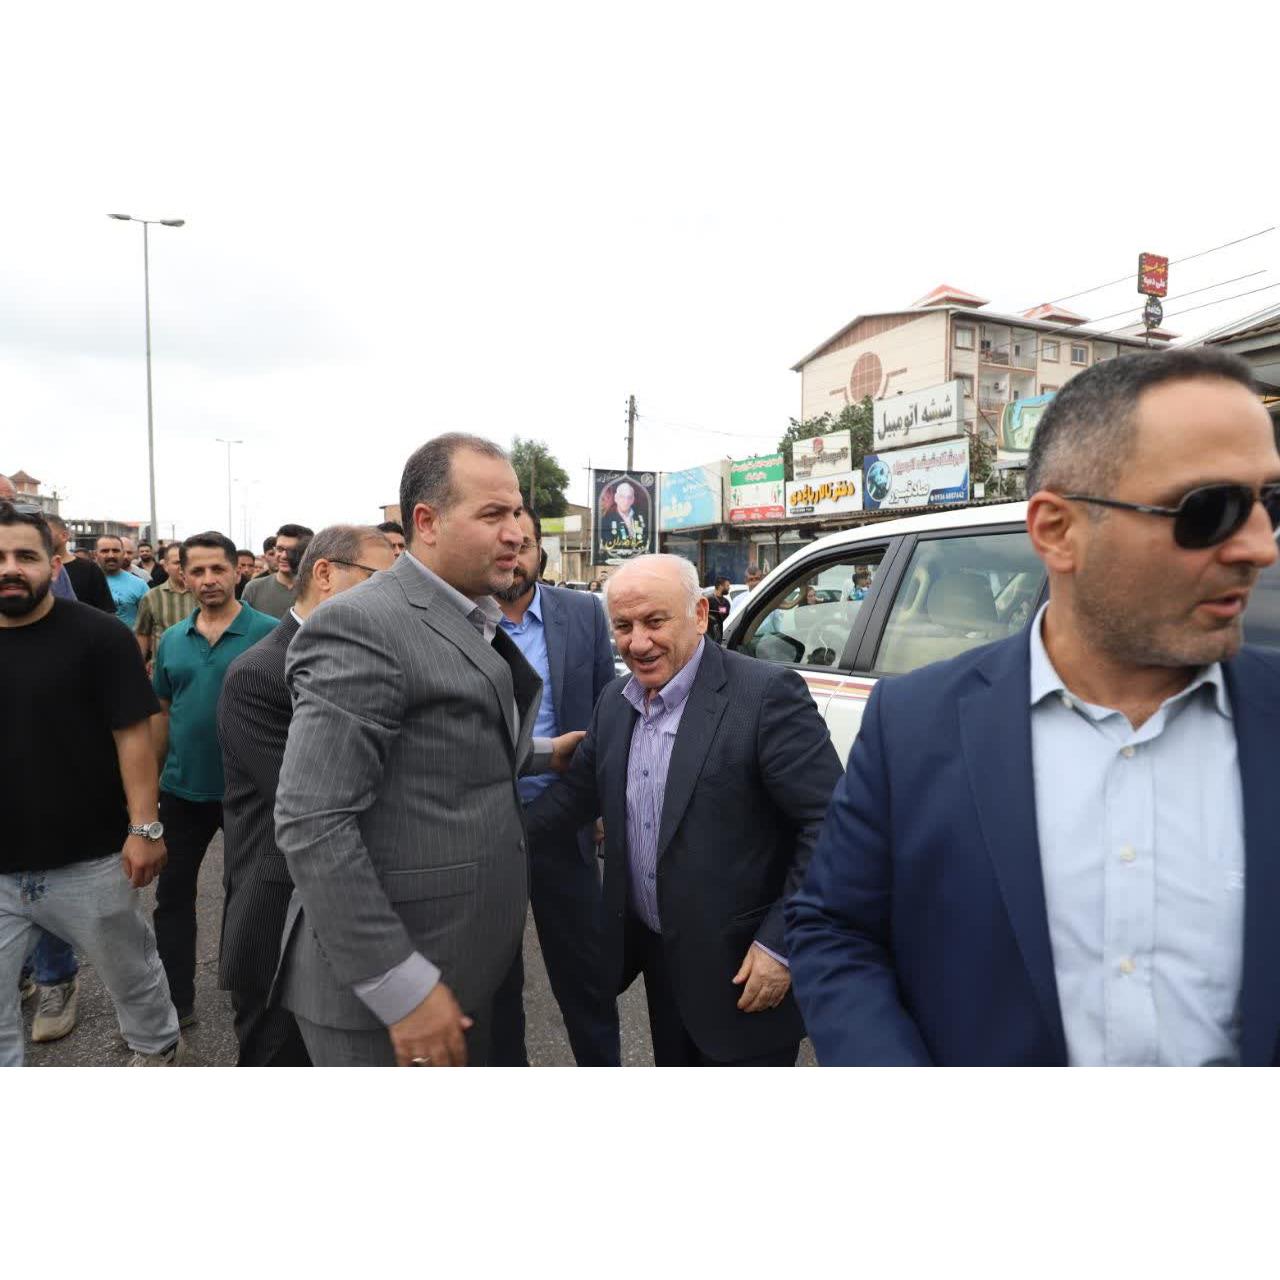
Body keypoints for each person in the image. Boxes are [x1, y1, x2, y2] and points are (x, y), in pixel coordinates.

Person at [787, 348, 1280, 1067]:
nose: (1261, 548)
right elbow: (836, 931)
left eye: (1270, 504)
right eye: (1210, 511)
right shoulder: (915, 723)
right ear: (1057, 531)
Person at [273, 433, 584, 1067]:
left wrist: (545, 753)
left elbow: (436, 750)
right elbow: (313, 820)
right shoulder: (362, 624)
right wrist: (398, 984)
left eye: (517, 512)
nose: (516, 533)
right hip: (384, 998)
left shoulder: (465, 613)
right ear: (427, 522)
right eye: (492, 515)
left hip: (459, 961)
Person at [526, 554, 842, 1066]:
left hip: (745, 971)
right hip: (663, 964)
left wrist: (782, 945)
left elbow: (830, 825)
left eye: (655, 621)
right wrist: (491, 844)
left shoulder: (765, 695)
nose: (638, 643)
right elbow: (571, 800)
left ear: (699, 614)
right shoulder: (615, 701)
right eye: (623, 626)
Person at [0, 502, 184, 1065]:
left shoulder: (100, 636)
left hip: (92, 863)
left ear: (55, 563)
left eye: (25, 556)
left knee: (135, 982)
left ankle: (157, 1054)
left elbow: (134, 737)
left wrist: (145, 828)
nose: (10, 568)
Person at [218, 525, 396, 1066]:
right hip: (280, 907)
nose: (394, 599)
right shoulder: (259, 674)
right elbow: (311, 801)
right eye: (381, 581)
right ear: (325, 574)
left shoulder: (364, 657)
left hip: (347, 902)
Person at [489, 510, 621, 1066]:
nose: (514, 556)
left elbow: (607, 707)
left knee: (586, 979)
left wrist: (602, 803)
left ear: (540, 551)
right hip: (487, 829)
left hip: (566, 822)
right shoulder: (462, 619)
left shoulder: (582, 611)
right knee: (495, 989)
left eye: (525, 544)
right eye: (505, 544)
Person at [151, 532, 278, 1026]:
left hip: (250, 793)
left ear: (236, 571)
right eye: (197, 571)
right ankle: (176, 1000)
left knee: (248, 898)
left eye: (218, 569)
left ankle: (247, 989)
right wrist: (152, 785)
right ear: (182, 576)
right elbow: (162, 713)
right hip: (181, 792)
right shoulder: (171, 640)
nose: (208, 580)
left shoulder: (271, 634)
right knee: (172, 898)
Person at [135, 543, 196, 668]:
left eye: (186, 562)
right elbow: (142, 634)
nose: (182, 567)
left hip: (198, 668)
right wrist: (138, 668)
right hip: (163, 669)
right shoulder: (152, 597)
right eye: (177, 562)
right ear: (165, 566)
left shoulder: (204, 594)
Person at [241, 523, 313, 619]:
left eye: (292, 550)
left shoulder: (318, 590)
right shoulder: (253, 589)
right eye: (279, 549)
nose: (284, 556)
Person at [44, 516, 113, 612]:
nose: (39, 538)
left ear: (64, 536)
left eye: (44, 533)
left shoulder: (89, 569)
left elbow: (106, 611)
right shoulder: (34, 570)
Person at [95, 534, 149, 627]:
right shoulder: (86, 582)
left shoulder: (139, 585)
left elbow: (150, 620)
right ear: (95, 555)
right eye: (105, 551)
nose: (111, 555)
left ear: (123, 554)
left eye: (116, 551)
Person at [706, 577, 731, 643]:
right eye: (727, 586)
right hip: (709, 637)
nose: (729, 588)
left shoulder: (726, 603)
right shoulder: (708, 601)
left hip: (720, 636)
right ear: (720, 586)